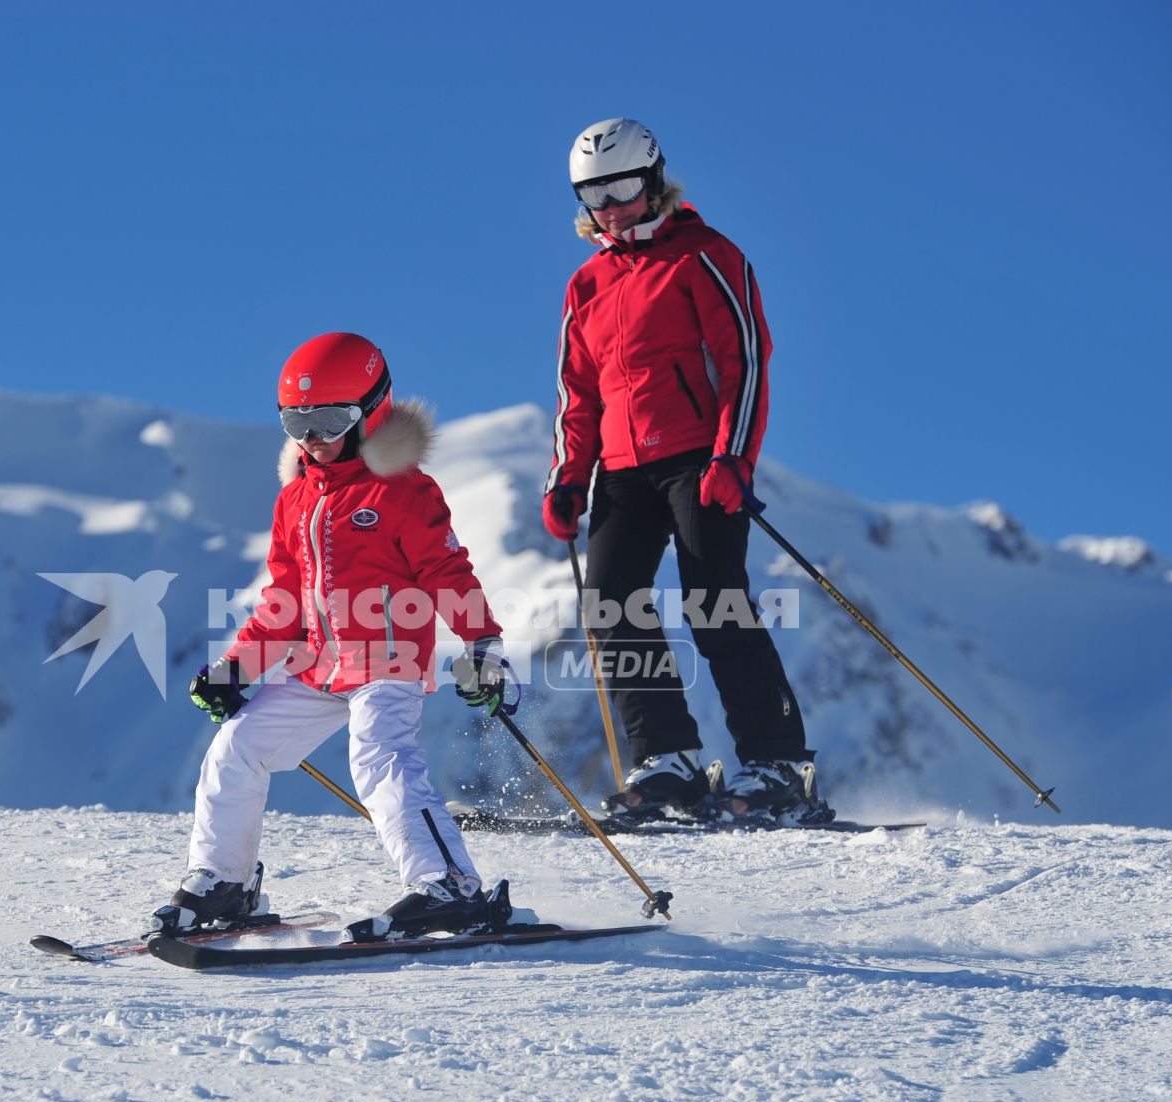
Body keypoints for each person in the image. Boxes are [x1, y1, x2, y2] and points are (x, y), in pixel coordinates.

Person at [151, 332, 517, 943]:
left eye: (328, 420)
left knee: (380, 757)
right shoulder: (294, 499)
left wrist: (483, 648)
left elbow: (447, 572)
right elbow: (285, 601)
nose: (311, 439)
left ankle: (449, 885)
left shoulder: (402, 490)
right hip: (318, 666)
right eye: (297, 421)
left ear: (371, 413)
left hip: (386, 658)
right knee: (236, 747)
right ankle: (223, 883)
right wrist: (236, 670)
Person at [542, 117, 825, 824]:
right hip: (623, 469)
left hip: (700, 458)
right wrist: (568, 476)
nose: (611, 206)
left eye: (624, 187)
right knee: (609, 601)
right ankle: (667, 758)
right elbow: (578, 392)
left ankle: (778, 761)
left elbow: (747, 361)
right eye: (594, 195)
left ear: (655, 178)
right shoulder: (587, 284)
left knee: (715, 600)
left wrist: (733, 456)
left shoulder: (705, 254)